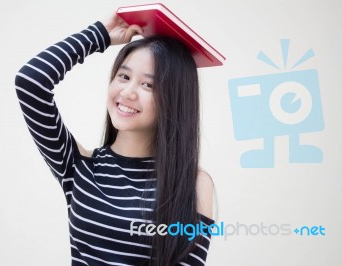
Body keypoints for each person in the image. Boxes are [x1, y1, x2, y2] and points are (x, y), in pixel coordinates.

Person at [15, 13, 214, 266]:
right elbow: (30, 82)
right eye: (124, 76)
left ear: (174, 100)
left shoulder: (193, 183)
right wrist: (99, 35)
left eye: (148, 85)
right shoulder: (79, 166)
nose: (128, 93)